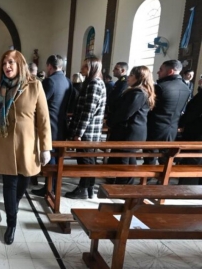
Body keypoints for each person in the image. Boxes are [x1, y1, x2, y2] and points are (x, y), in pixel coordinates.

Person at [0, 49, 51, 245]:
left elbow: (43, 119)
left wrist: (46, 147)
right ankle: (11, 224)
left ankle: (12, 207)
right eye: (5, 63)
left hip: (27, 144)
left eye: (11, 63)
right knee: (9, 184)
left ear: (20, 64)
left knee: (24, 182)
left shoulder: (34, 86)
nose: (7, 66)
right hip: (4, 142)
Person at [64, 56, 106, 199]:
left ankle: (83, 189)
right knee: (89, 160)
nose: (81, 69)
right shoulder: (93, 83)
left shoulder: (94, 84)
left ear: (91, 68)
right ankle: (88, 188)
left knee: (85, 161)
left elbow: (88, 111)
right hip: (90, 131)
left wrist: (78, 133)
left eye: (84, 67)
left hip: (88, 132)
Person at [106, 66, 156, 184]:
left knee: (124, 159)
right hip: (131, 131)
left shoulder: (138, 93)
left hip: (129, 131)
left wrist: (110, 122)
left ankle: (123, 185)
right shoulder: (138, 91)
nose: (128, 77)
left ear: (139, 78)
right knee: (128, 157)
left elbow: (125, 113)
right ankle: (125, 182)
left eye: (132, 75)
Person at [31, 54, 71, 197]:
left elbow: (40, 102)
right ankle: (52, 186)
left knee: (51, 158)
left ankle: (49, 188)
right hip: (62, 124)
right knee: (57, 158)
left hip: (51, 125)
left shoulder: (50, 82)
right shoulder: (67, 81)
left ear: (49, 66)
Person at [144, 60, 190, 165]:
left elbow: (150, 107)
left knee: (149, 156)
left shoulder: (160, 87)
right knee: (165, 158)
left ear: (170, 72)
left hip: (155, 127)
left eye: (161, 70)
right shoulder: (186, 88)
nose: (158, 72)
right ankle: (163, 178)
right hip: (172, 127)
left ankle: (146, 179)